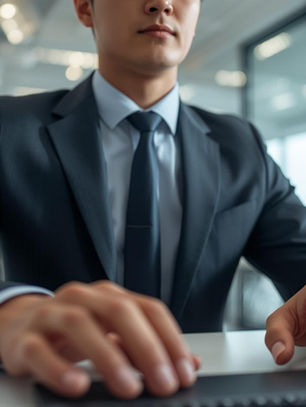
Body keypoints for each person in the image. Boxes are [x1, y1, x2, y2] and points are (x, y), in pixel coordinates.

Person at [0, 0, 305, 401]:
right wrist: (9, 308)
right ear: (84, 9)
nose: (161, 3)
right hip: (59, 386)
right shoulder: (10, 128)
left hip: (203, 390)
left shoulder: (241, 147)